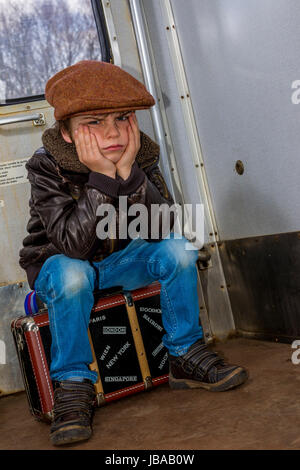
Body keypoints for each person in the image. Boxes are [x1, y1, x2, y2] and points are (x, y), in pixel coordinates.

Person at [19, 60, 248, 446]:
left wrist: (131, 173)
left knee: (179, 249)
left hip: (122, 263)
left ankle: (184, 354)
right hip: (63, 269)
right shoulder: (46, 167)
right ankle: (73, 385)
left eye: (122, 118)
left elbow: (161, 229)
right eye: (93, 122)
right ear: (67, 133)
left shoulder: (141, 156)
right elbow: (73, 246)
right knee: (72, 274)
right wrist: (105, 179)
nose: (112, 132)